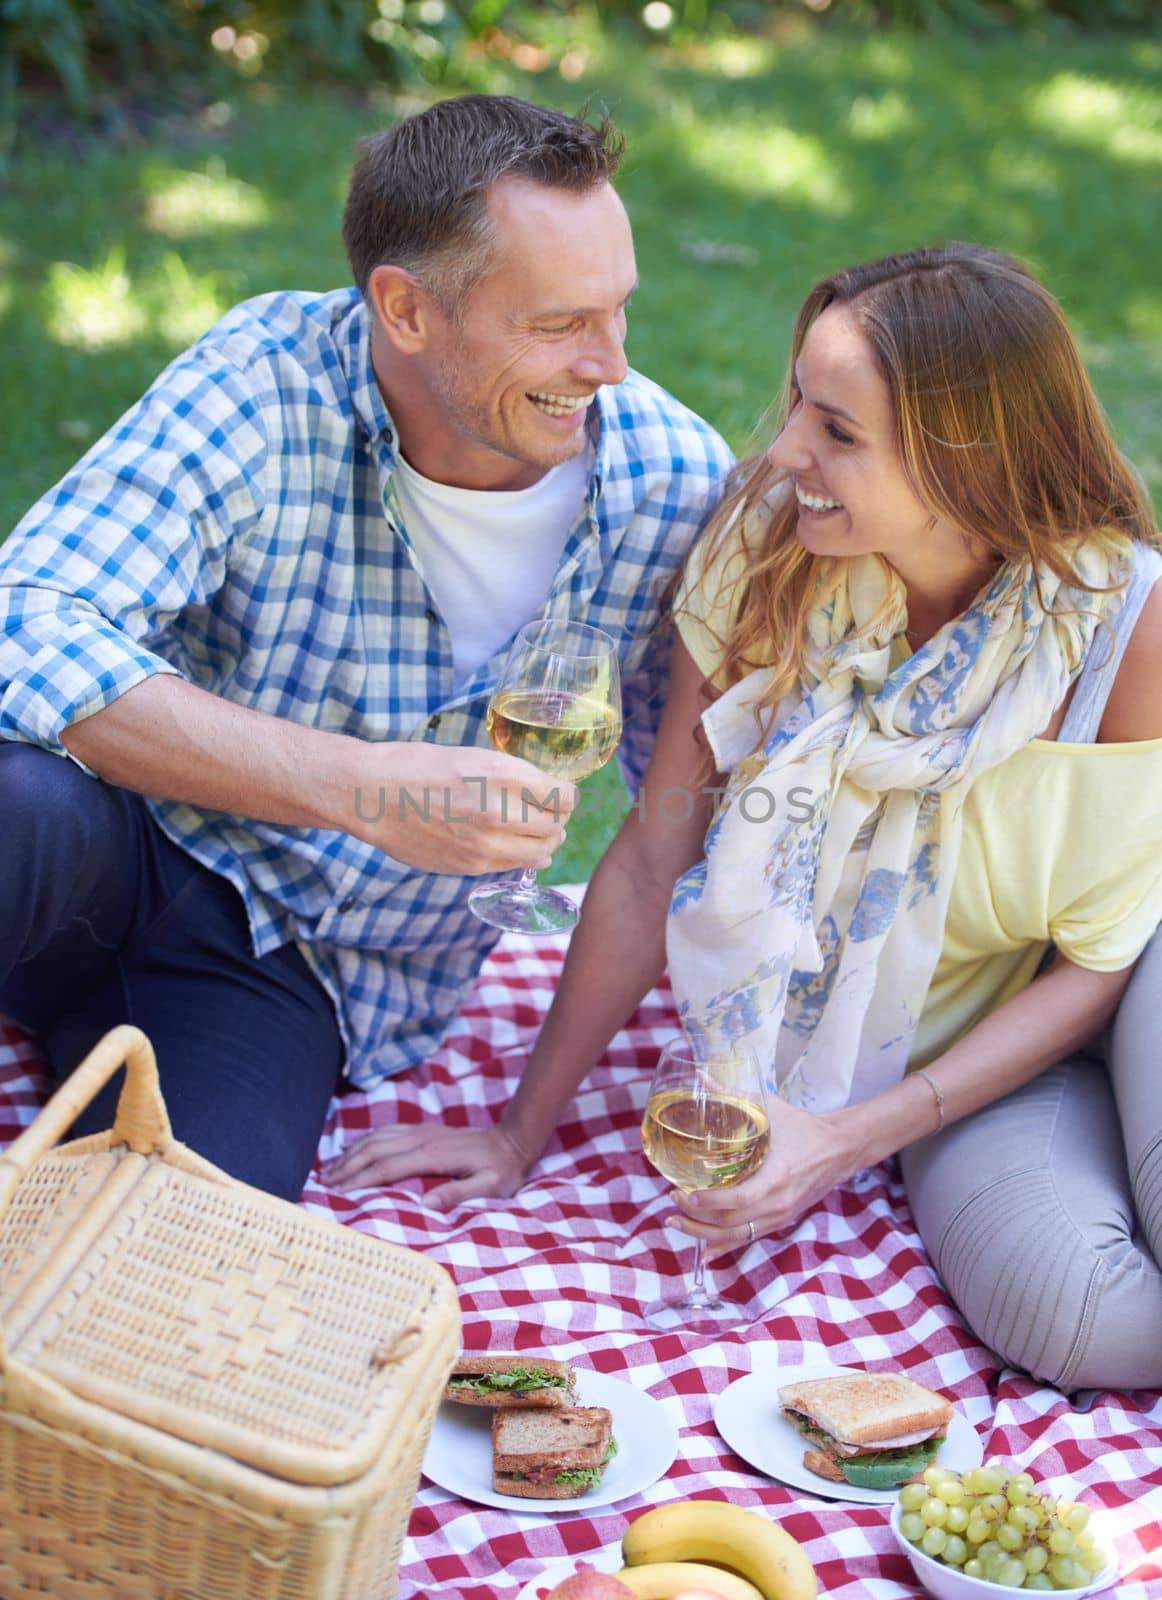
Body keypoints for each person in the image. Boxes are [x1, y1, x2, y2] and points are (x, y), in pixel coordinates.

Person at [332, 244, 1162, 1390]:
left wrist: (840, 1143)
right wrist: (519, 1131)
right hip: (991, 1057)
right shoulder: (771, 544)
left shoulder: (1123, 632)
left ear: (963, 459)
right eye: (796, 409)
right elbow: (655, 843)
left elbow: (1099, 960)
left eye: (835, 431)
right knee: (1090, 1326)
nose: (782, 453)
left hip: (1125, 972)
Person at [0, 95, 732, 1200]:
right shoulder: (266, 379)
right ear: (405, 309)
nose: (610, 364)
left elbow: (679, 820)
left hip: (293, 975)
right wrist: (357, 787)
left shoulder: (670, 485)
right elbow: (27, 618)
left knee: (174, 1241)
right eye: (558, 324)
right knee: (20, 806)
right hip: (123, 836)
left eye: (618, 312)